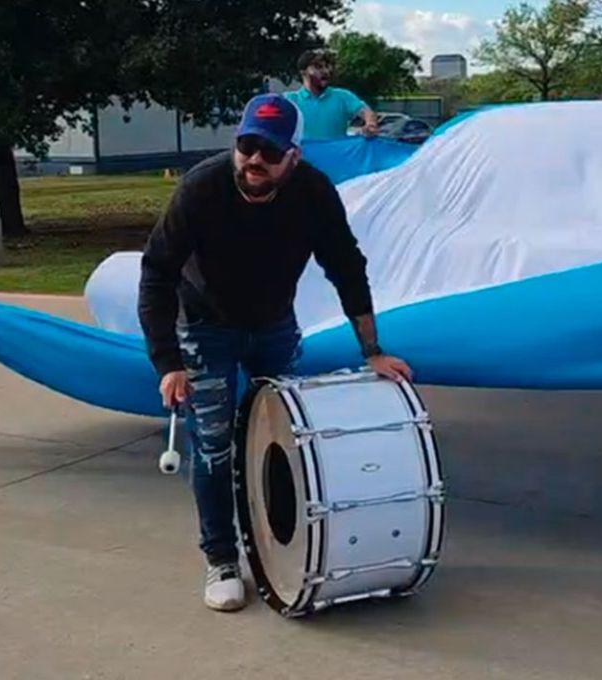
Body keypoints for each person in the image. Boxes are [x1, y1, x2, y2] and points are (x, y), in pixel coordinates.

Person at [138, 93, 413, 612]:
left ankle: (282, 541)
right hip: (205, 324)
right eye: (246, 146)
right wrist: (168, 362)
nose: (254, 160)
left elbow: (347, 268)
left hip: (273, 324)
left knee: (285, 439)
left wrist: (372, 350)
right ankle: (221, 557)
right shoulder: (201, 188)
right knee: (215, 446)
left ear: (294, 156)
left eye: (269, 150)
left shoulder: (313, 194)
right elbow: (156, 273)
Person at [284, 49, 380, 140]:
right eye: (318, 67)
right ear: (303, 72)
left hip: (337, 156)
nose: (326, 71)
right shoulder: (290, 100)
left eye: (327, 66)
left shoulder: (343, 96)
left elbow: (366, 112)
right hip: (302, 157)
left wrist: (370, 125)